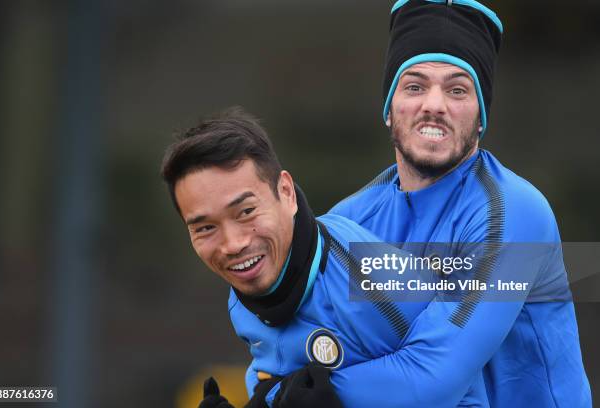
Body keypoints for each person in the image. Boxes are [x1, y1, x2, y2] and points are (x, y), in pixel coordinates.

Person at [328, 0, 592, 407]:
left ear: (481, 116)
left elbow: (435, 378)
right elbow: (307, 340)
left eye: (457, 90)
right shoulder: (346, 219)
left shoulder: (516, 212)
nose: (434, 105)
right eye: (414, 86)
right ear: (388, 108)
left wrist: (309, 395)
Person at [160, 108, 489, 407]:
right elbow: (277, 378)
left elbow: (456, 384)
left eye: (245, 211)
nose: (232, 244)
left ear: (286, 194)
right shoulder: (242, 299)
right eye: (205, 228)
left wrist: (339, 398)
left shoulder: (366, 271)